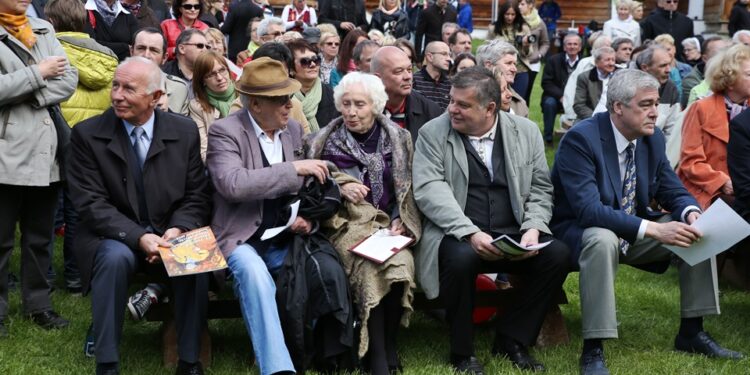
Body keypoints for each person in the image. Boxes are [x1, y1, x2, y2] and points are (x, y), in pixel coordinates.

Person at [551, 69, 744, 375]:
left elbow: (671, 188)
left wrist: (689, 212)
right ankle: (594, 349)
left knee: (697, 230)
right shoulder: (581, 139)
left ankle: (692, 332)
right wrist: (655, 228)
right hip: (578, 233)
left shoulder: (651, 137)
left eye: (656, 103)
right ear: (618, 107)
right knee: (602, 238)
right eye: (645, 104)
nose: (655, 112)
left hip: (630, 229)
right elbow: (588, 210)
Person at [412, 66, 570, 374]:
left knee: (558, 255)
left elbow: (540, 186)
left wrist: (533, 228)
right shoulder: (434, 132)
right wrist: (470, 233)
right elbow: (430, 189)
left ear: (490, 108)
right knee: (460, 261)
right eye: (451, 101)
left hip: (514, 231)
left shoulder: (525, 131)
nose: (452, 109)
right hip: (457, 232)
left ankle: (512, 339)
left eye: (463, 105)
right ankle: (462, 351)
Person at [67, 57, 210, 375]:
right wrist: (139, 237)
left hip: (170, 232)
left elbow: (197, 194)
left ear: (156, 97)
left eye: (128, 88)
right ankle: (107, 363)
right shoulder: (87, 135)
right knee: (115, 259)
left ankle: (189, 360)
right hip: (114, 235)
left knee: (194, 256)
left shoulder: (184, 130)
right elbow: (90, 203)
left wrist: (177, 229)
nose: (117, 95)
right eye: (115, 85)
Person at [207, 56, 332, 375]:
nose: (289, 105)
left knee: (322, 270)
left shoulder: (292, 129)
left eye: (289, 96)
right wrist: (291, 169)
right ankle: (278, 369)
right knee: (255, 276)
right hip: (241, 237)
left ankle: (324, 352)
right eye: (279, 100)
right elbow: (233, 185)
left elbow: (307, 183)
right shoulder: (225, 132)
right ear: (254, 104)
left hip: (286, 234)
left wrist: (308, 218)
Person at [305, 72, 421, 375]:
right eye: (346, 104)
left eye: (360, 104)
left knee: (400, 266)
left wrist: (399, 218)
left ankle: (388, 343)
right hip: (343, 226)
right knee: (371, 268)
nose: (351, 112)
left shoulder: (399, 138)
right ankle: (378, 357)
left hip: (388, 229)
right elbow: (311, 188)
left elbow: (406, 190)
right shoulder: (322, 141)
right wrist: (339, 187)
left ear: (377, 106)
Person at [0, 0, 77, 337]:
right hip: (6, 153)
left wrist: (27, 89)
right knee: (1, 240)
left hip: (47, 154)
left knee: (39, 238)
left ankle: (39, 306)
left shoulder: (43, 30)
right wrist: (39, 74)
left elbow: (69, 80)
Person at [678, 44, 750, 209]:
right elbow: (690, 161)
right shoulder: (701, 108)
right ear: (730, 79)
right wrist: (722, 182)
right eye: (749, 74)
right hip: (709, 191)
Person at [371, 46, 443, 142]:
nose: (408, 76)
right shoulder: (362, 108)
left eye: (409, 70)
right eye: (398, 71)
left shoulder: (430, 111)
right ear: (378, 78)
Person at [189, 51, 239, 161]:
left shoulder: (244, 95)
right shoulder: (196, 107)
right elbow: (204, 150)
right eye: (211, 75)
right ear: (203, 81)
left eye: (222, 70)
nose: (220, 78)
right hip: (221, 163)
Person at [130, 27, 191, 115]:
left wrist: (166, 114)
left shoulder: (179, 89)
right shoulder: (113, 83)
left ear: (164, 58)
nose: (146, 55)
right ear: (131, 52)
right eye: (141, 48)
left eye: (154, 50)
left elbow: (184, 127)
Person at [286, 38, 339, 132]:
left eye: (316, 59)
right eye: (305, 61)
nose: (313, 64)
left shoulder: (332, 94)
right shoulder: (284, 98)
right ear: (291, 69)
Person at [489, 1, 534, 104]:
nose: (510, 17)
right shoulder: (493, 28)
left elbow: (529, 53)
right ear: (502, 14)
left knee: (517, 100)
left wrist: (525, 45)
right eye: (507, 14)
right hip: (500, 70)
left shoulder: (524, 28)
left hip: (520, 70)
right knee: (499, 99)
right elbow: (487, 49)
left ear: (517, 14)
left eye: (512, 14)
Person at [541, 32, 581, 146]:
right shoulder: (553, 60)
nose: (572, 47)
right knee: (549, 103)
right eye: (569, 44)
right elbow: (546, 83)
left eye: (575, 44)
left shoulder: (584, 62)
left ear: (580, 47)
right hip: (557, 97)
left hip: (578, 97)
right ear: (564, 47)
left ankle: (580, 138)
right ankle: (548, 138)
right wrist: (561, 96)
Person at [636, 45, 681, 139]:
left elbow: (672, 131)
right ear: (645, 67)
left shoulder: (671, 88)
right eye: (663, 66)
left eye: (669, 64)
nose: (669, 70)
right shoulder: (625, 85)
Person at [476, 39, 529, 117]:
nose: (514, 69)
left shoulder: (520, 104)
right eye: (508, 63)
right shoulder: (469, 94)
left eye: (515, 64)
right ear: (488, 65)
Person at [681, 36, 730, 108]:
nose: (725, 58)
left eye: (727, 52)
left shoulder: (732, 74)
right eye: (719, 54)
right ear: (705, 58)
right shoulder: (691, 81)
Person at [517, 0, 550, 103]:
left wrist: (539, 55)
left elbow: (545, 42)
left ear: (530, 5)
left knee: (526, 94)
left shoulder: (539, 22)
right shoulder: (515, 21)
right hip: (517, 61)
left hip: (532, 63)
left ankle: (524, 117)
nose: (519, 6)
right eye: (518, 4)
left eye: (522, 4)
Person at [574, 46, 617, 122]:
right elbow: (579, 105)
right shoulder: (585, 77)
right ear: (596, 62)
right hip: (590, 117)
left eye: (613, 60)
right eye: (607, 60)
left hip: (614, 119)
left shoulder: (618, 77)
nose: (611, 63)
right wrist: (595, 118)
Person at [412, 41, 452, 110]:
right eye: (444, 54)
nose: (448, 59)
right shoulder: (414, 80)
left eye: (449, 55)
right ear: (430, 57)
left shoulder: (450, 83)